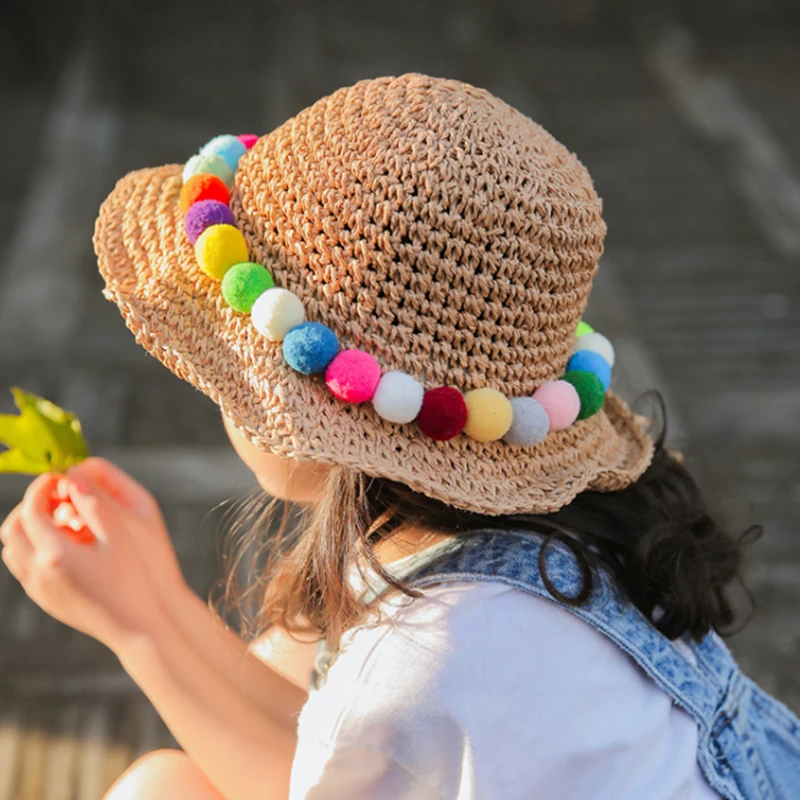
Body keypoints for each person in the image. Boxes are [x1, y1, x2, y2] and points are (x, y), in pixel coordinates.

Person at [1, 73, 798, 800]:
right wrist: (150, 597)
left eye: (225, 367)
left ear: (317, 414)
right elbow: (324, 750)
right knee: (274, 665)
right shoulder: (550, 533)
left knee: (157, 791)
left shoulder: (430, 651)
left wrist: (140, 623)